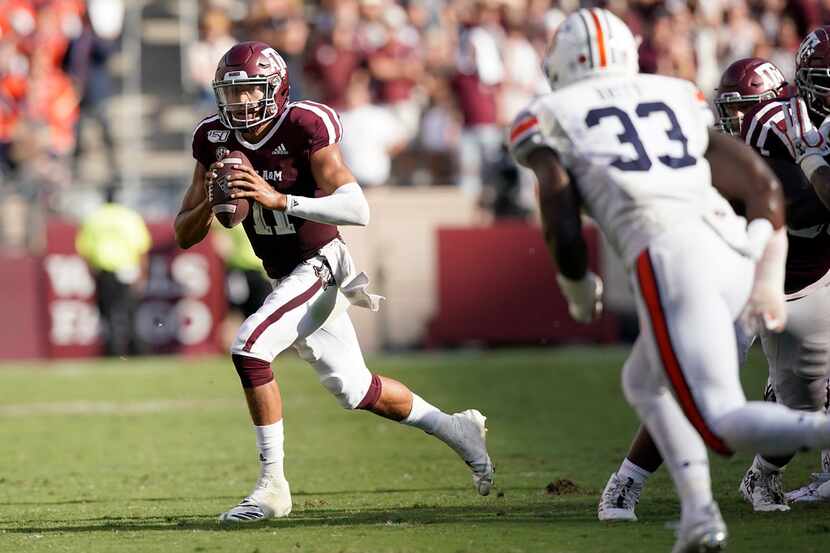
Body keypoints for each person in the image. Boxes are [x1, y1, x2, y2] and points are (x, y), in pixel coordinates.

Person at [510, 10, 830, 552]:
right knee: (647, 382)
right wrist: (768, 267)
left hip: (678, 256)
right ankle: (697, 515)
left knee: (716, 416)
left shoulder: (548, 113)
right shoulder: (676, 94)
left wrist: (577, 284)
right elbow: (761, 186)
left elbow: (560, 215)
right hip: (739, 250)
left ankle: (689, 504)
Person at [175, 41, 494, 523]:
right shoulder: (214, 137)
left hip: (321, 263)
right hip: (284, 274)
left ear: (276, 89)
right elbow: (184, 231)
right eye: (231, 92)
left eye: (250, 91)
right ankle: (457, 429)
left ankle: (272, 487)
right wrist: (215, 198)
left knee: (249, 347)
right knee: (355, 388)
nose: (239, 103)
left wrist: (278, 199)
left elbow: (356, 209)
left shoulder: (304, 124)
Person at [597, 53, 830, 520]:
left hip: (809, 281)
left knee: (801, 404)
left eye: (741, 107)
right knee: (695, 381)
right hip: (737, 277)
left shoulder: (785, 127)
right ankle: (625, 483)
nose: (735, 118)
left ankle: (768, 474)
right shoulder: (760, 136)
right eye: (732, 108)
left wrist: (807, 154)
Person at [75, 187, 151, 356]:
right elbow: (142, 248)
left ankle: (114, 351)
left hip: (104, 271)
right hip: (128, 270)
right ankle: (135, 351)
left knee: (108, 314)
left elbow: (85, 250)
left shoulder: (94, 218)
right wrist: (143, 274)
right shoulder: (129, 216)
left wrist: (91, 274)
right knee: (130, 314)